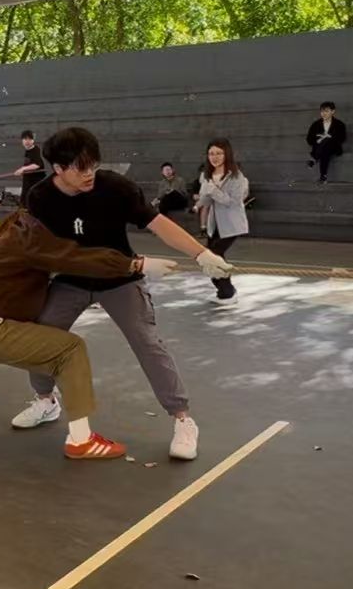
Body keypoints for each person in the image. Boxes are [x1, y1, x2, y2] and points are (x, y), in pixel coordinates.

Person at [18, 127, 235, 461]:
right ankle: (45, 401)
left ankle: (182, 419)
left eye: (93, 165)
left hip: (120, 278)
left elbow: (159, 224)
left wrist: (201, 254)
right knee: (41, 334)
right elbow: (32, 247)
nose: (89, 173)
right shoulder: (40, 197)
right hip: (70, 280)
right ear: (58, 169)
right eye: (80, 168)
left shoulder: (115, 188)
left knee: (147, 341)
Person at [0, 211, 176, 458]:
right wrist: (135, 264)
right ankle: (81, 440)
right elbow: (76, 258)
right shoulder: (38, 234)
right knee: (70, 349)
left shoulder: (14, 224)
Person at [195, 138, 249, 305]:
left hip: (232, 223)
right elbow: (206, 198)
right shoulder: (206, 175)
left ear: (227, 154)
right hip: (214, 224)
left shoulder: (236, 177)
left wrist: (213, 190)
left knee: (214, 255)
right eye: (211, 153)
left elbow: (233, 202)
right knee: (212, 257)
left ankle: (227, 292)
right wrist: (198, 203)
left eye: (219, 153)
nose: (215, 157)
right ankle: (224, 291)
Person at [306, 101, 347, 184]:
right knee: (324, 150)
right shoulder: (316, 124)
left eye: (326, 111)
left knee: (327, 141)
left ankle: (314, 159)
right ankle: (323, 176)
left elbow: (342, 138)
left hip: (334, 147)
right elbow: (309, 139)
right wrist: (319, 139)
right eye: (322, 111)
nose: (323, 113)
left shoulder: (339, 124)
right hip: (320, 148)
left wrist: (330, 137)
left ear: (333, 111)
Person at [15, 130, 46, 205]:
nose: (27, 141)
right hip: (29, 180)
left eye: (30, 139)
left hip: (35, 181)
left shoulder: (35, 150)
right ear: (22, 140)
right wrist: (23, 171)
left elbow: (37, 165)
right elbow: (29, 164)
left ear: (33, 140)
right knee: (25, 201)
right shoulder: (28, 150)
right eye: (25, 139)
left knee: (32, 202)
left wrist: (22, 169)